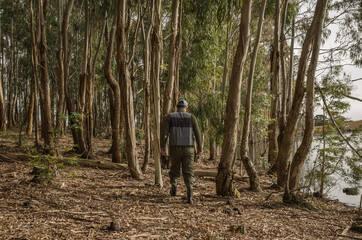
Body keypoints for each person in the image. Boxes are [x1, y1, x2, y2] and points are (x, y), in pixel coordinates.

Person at [160, 99, 202, 204]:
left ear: (177, 107)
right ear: (186, 108)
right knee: (188, 170)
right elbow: (197, 134)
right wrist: (199, 148)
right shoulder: (192, 117)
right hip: (189, 148)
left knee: (174, 169)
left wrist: (162, 147)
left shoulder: (170, 117)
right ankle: (190, 195)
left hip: (174, 147)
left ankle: (173, 188)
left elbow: (164, 134)